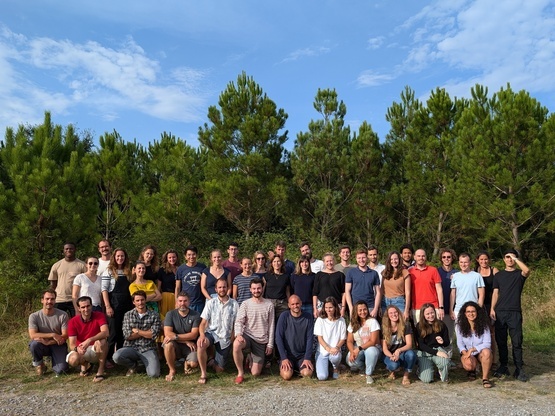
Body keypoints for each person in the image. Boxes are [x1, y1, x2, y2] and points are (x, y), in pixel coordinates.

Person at [490, 249, 531, 381]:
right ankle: (503, 366)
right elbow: (495, 293)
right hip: (500, 311)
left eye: (512, 257)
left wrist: (517, 259)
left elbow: (527, 271)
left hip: (514, 312)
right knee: (501, 341)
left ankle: (519, 369)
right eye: (507, 257)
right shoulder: (499, 275)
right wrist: (492, 308)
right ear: (504, 259)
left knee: (517, 341)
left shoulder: (519, 274)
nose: (509, 259)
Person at [232, 278, 275, 384]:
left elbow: (271, 325)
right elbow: (239, 321)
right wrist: (238, 334)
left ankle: (250, 357)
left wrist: (270, 344)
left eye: (259, 288)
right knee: (236, 345)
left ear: (262, 288)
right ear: (250, 290)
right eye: (254, 289)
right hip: (247, 335)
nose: (256, 291)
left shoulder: (269, 305)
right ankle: (240, 373)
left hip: (261, 340)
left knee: (255, 373)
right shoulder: (245, 304)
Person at [197, 279, 238, 384]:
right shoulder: (211, 303)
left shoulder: (234, 304)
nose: (222, 289)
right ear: (216, 289)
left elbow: (236, 323)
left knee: (219, 370)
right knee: (201, 344)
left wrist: (233, 336)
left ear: (227, 288)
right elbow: (202, 323)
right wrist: (202, 335)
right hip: (211, 333)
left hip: (225, 337)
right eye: (219, 287)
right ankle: (203, 373)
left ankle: (213, 362)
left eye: (224, 287)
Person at [113, 290, 161, 377]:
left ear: (145, 300)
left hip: (148, 347)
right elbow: (127, 336)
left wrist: (137, 331)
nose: (140, 302)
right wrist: (147, 332)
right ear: (133, 302)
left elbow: (154, 335)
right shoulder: (128, 315)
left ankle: (144, 364)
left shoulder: (154, 315)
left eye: (142, 300)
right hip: (131, 347)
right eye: (137, 300)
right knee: (117, 356)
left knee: (154, 374)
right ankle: (133, 366)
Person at [101, 248, 133, 367]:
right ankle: (107, 358)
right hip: (113, 305)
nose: (120, 258)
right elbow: (104, 290)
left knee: (123, 333)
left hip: (126, 306)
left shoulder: (128, 272)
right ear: (114, 257)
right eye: (118, 256)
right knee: (113, 333)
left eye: (122, 256)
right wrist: (108, 306)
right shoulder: (108, 271)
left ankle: (119, 358)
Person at [66, 296, 109, 382]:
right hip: (82, 349)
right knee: (73, 360)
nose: (86, 309)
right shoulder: (73, 321)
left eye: (88, 306)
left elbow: (106, 332)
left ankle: (100, 371)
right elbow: (72, 344)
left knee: (102, 341)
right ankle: (85, 364)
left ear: (91, 305)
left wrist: (89, 340)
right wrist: (77, 349)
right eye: (83, 307)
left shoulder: (99, 316)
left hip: (96, 348)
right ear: (78, 308)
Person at [28, 289, 69, 376]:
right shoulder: (34, 316)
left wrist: (49, 342)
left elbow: (65, 335)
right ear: (42, 300)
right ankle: (40, 365)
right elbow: (33, 335)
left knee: (61, 371)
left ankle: (60, 362)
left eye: (52, 299)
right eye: (47, 299)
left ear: (55, 300)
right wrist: (52, 334)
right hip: (42, 344)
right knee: (34, 344)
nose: (49, 301)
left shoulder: (63, 315)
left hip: (57, 344)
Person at [162, 291, 201, 381]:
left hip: (190, 347)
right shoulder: (170, 314)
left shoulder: (195, 315)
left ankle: (186, 363)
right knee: (168, 344)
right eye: (180, 301)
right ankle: (172, 370)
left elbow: (194, 335)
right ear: (176, 302)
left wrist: (175, 337)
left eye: (185, 301)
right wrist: (185, 340)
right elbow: (168, 334)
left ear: (189, 302)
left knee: (193, 364)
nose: (182, 303)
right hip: (177, 344)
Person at [275, 295, 314, 380]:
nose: (295, 306)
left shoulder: (308, 317)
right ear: (289, 305)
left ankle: (299, 368)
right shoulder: (284, 316)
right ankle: (290, 369)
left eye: (297, 303)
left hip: (302, 355)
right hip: (288, 355)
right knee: (286, 375)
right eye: (292, 304)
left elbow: (310, 338)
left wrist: (307, 358)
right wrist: (284, 358)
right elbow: (278, 338)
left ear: (301, 303)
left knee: (307, 374)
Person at [456, 301, 493, 388]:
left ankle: (485, 378)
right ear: (464, 313)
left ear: (477, 312)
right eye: (468, 311)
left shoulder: (484, 325)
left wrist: (472, 349)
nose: (471, 314)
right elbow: (460, 343)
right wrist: (466, 354)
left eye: (473, 311)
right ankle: (472, 370)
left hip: (480, 352)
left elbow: (487, 344)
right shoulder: (459, 326)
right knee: (469, 365)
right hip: (467, 353)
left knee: (487, 352)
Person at [345, 301, 381, 384]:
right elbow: (349, 341)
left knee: (371, 352)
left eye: (365, 309)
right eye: (360, 310)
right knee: (350, 361)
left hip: (372, 347)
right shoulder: (352, 323)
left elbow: (373, 341)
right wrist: (351, 352)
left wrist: (358, 349)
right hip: (358, 347)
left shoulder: (372, 321)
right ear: (356, 311)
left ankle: (369, 374)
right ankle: (362, 367)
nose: (363, 312)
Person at [48, 242, 87, 317]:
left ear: (75, 250)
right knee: (57, 321)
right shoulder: (56, 265)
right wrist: (52, 297)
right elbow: (53, 284)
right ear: (63, 251)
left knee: (77, 321)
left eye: (71, 249)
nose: (69, 250)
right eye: (66, 249)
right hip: (60, 299)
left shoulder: (82, 265)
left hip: (75, 300)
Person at [415, 303, 450, 383]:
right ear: (423, 315)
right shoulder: (419, 326)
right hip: (425, 353)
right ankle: (421, 369)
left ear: (435, 312)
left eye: (432, 313)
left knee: (445, 362)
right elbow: (421, 345)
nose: (430, 315)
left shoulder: (441, 325)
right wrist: (436, 353)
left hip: (438, 350)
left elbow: (447, 342)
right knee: (427, 380)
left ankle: (442, 373)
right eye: (427, 314)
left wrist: (442, 342)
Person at [382, 305, 416, 385]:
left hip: (402, 353)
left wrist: (398, 350)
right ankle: (392, 371)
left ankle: (406, 376)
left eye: (395, 312)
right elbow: (385, 349)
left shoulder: (405, 326)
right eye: (391, 313)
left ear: (399, 313)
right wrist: (392, 356)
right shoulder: (384, 328)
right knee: (394, 365)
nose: (393, 314)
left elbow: (409, 344)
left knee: (411, 354)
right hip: (389, 354)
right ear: (387, 316)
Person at [314, 297, 346, 381]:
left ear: (335, 307)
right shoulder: (320, 320)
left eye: (331, 307)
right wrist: (328, 348)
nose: (328, 310)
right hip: (322, 351)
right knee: (322, 377)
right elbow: (319, 338)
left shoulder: (341, 320)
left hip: (335, 350)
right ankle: (325, 366)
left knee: (335, 358)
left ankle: (335, 368)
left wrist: (337, 348)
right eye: (326, 307)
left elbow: (343, 339)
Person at [475, 250, 498, 363]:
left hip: (491, 304)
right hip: (478, 305)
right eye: (481, 259)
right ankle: (479, 357)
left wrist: (493, 308)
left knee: (491, 332)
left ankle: (492, 359)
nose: (484, 261)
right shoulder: (475, 271)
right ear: (477, 260)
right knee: (478, 332)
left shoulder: (494, 271)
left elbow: (497, 290)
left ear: (489, 260)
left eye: (485, 259)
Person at [409, 249, 444, 323]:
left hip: (433, 307)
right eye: (419, 256)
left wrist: (441, 307)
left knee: (436, 331)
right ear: (414, 257)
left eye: (423, 256)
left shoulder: (433, 270)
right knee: (420, 332)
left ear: (426, 257)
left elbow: (439, 289)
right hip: (417, 308)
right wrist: (409, 309)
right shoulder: (410, 272)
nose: (421, 258)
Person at [345, 250, 381, 318]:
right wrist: (351, 308)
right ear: (356, 259)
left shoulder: (374, 273)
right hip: (355, 307)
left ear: (367, 258)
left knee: (371, 328)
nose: (361, 260)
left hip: (370, 307)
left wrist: (375, 309)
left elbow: (378, 292)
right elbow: (347, 291)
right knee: (356, 328)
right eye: (359, 258)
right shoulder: (351, 272)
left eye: (363, 257)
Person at [450, 253, 485, 321]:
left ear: (470, 262)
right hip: (459, 310)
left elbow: (482, 294)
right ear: (459, 262)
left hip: (473, 310)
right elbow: (452, 294)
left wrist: (478, 309)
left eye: (465, 262)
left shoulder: (477, 276)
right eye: (461, 262)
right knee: (459, 331)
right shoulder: (455, 276)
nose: (463, 264)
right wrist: (451, 309)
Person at [312, 253, 346, 318]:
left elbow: (344, 292)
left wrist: (343, 308)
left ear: (334, 261)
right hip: (321, 305)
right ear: (324, 263)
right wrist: (315, 308)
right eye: (327, 261)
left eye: (331, 261)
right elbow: (315, 292)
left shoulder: (340, 275)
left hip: (337, 305)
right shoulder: (319, 275)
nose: (329, 263)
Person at [175, 245, 207, 313]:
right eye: (189, 255)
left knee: (198, 322)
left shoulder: (202, 267)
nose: (191, 257)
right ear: (185, 256)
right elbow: (177, 287)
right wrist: (176, 301)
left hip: (200, 302)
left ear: (196, 255)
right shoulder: (181, 269)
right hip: (185, 302)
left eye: (193, 254)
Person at [381, 251, 411, 320]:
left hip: (399, 301)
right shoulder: (384, 272)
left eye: (396, 259)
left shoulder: (405, 272)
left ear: (399, 260)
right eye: (391, 259)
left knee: (401, 325)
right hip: (385, 302)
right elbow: (381, 290)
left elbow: (408, 293)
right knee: (386, 325)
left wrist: (406, 310)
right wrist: (379, 306)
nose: (393, 261)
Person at [437, 248, 458, 344]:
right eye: (444, 257)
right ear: (441, 259)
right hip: (439, 308)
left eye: (448, 257)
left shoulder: (458, 273)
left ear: (452, 258)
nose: (446, 259)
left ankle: (448, 355)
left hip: (452, 309)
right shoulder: (436, 271)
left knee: (449, 333)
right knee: (438, 333)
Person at [264, 254, 291, 322]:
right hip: (269, 303)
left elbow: (287, 291)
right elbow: (263, 290)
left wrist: (289, 302)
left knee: (282, 323)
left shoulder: (286, 276)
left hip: (282, 304)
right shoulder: (267, 276)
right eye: (274, 261)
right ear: (272, 263)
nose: (276, 263)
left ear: (281, 263)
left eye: (278, 261)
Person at [157, 249, 179, 321]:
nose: (172, 259)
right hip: (166, 297)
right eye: (170, 257)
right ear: (166, 259)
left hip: (178, 297)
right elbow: (159, 286)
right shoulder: (162, 270)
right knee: (166, 318)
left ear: (177, 257)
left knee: (177, 318)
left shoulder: (180, 269)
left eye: (174, 257)